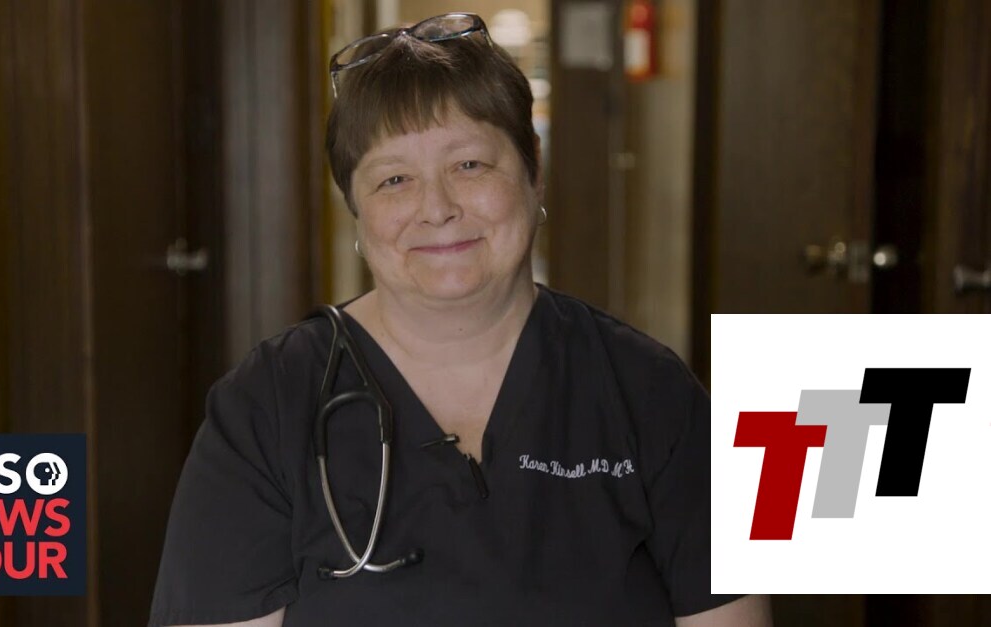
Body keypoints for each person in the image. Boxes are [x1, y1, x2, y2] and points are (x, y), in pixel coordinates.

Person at [149, 13, 770, 627]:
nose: (437, 208)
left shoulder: (651, 391)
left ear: (533, 169)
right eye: (394, 179)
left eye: (469, 165)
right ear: (356, 210)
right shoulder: (265, 408)